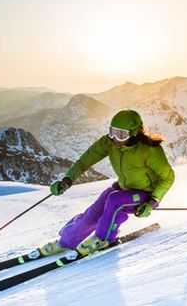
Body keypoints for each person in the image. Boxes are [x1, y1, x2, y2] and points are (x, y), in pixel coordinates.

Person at [41, 109, 175, 256]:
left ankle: (103, 238)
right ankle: (66, 241)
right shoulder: (108, 143)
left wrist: (152, 201)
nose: (115, 138)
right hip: (124, 187)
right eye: (112, 132)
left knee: (114, 200)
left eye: (121, 134)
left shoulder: (150, 151)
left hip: (145, 194)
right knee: (93, 212)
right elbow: (84, 161)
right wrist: (67, 180)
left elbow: (168, 177)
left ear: (134, 133)